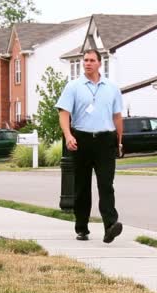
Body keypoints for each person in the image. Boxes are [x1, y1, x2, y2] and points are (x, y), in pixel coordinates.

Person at [56, 49, 123, 243]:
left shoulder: (112, 88)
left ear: (99, 63)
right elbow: (64, 113)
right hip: (81, 140)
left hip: (105, 140)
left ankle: (110, 225)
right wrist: (68, 135)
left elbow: (117, 116)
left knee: (106, 185)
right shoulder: (73, 87)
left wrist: (119, 141)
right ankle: (82, 228)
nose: (87, 63)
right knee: (82, 186)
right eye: (85, 60)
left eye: (92, 60)